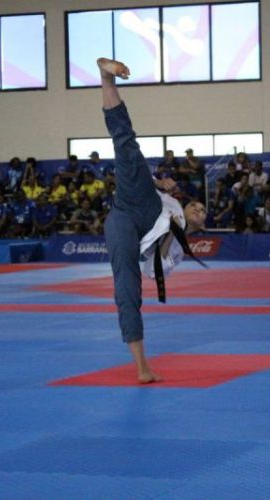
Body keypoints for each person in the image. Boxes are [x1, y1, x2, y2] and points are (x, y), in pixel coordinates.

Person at [97, 57, 206, 384]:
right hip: (136, 200)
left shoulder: (179, 249)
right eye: (197, 205)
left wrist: (174, 231)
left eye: (202, 213)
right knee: (128, 148)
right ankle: (106, 77)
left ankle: (142, 366)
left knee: (127, 288)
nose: (197, 209)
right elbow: (154, 190)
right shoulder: (173, 200)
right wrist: (159, 183)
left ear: (199, 226)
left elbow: (154, 265)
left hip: (138, 228)